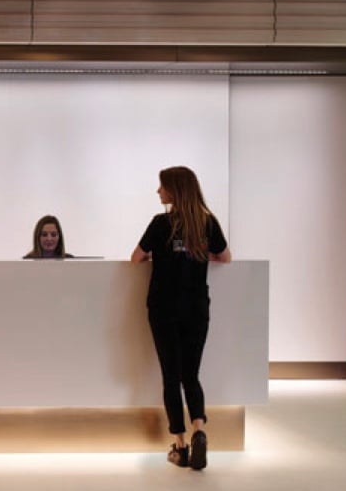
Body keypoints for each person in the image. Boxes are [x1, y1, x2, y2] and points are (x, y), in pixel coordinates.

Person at [130, 166, 231, 471]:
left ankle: (181, 445)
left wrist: (159, 257)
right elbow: (225, 257)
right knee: (191, 375)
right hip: (196, 308)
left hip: (163, 308)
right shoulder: (207, 222)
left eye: (161, 186)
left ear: (174, 190)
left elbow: (136, 258)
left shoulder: (161, 223)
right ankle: (199, 428)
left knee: (171, 377)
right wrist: (199, 254)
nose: (158, 192)